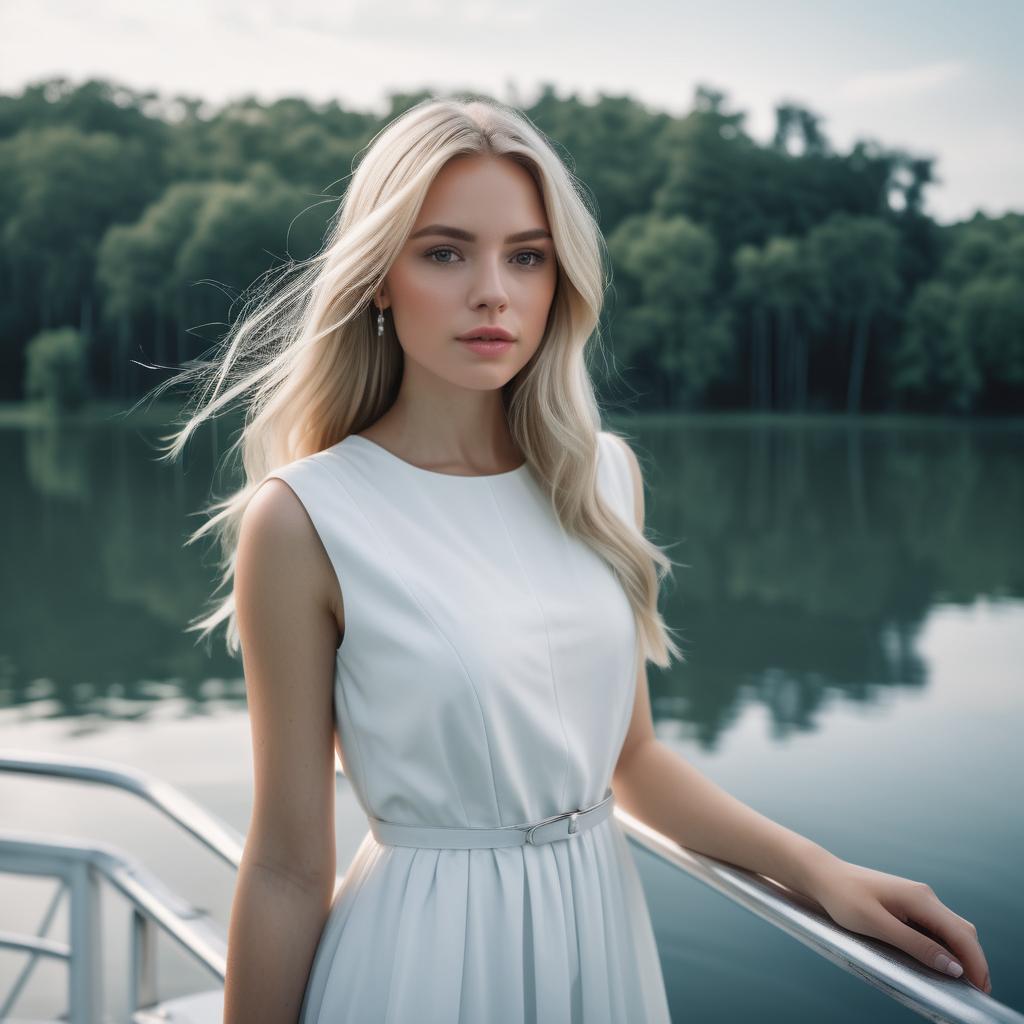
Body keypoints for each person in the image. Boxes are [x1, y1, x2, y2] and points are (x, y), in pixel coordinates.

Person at [158, 95, 991, 1022]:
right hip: (418, 960)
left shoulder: (600, 478)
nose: (493, 292)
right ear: (379, 277)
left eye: (527, 256)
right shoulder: (306, 518)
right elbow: (284, 863)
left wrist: (822, 875)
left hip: (597, 939)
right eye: (445, 252)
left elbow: (630, 761)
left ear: (562, 280)